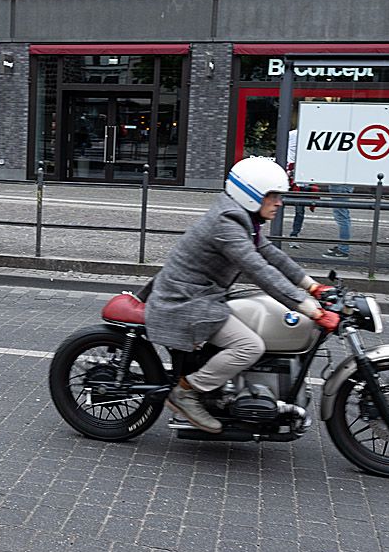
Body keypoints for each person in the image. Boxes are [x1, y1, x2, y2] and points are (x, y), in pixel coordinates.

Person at [145, 157, 341, 433]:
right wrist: (313, 311)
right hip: (185, 301)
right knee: (250, 346)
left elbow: (272, 255)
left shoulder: (241, 219)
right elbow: (259, 270)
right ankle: (186, 392)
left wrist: (313, 286)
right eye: (272, 196)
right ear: (251, 194)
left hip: (202, 295)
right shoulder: (227, 224)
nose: (279, 203)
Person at [322, 183, 353, 260]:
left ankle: (343, 249)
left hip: (340, 186)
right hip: (342, 186)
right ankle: (343, 247)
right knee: (342, 216)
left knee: (342, 217)